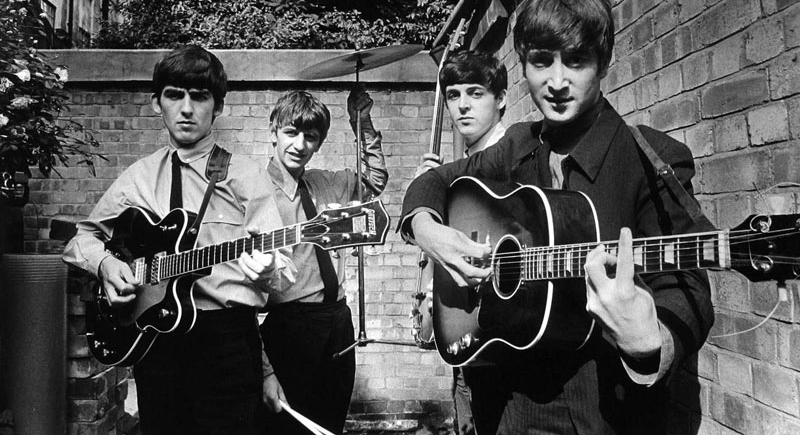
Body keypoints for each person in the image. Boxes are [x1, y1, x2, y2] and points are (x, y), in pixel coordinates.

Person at [400, 0, 714, 434]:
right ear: (524, 64)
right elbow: (434, 181)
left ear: (603, 61)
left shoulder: (652, 158)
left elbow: (689, 287)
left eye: (577, 61)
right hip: (505, 408)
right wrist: (428, 231)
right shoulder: (516, 147)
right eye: (542, 61)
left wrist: (650, 340)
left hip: (607, 414)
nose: (558, 81)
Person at [63, 45, 291, 435]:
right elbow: (82, 239)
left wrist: (268, 267)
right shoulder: (138, 177)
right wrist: (106, 264)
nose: (186, 109)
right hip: (157, 343)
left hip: (227, 343)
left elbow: (282, 272)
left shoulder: (246, 176)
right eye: (174, 95)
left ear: (218, 107)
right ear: (157, 103)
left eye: (199, 97)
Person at [239, 89, 388, 435]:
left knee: (330, 425)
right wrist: (265, 370)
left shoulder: (325, 183)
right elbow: (240, 299)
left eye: (310, 136)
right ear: (273, 131)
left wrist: (362, 121)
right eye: (291, 132)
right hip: (290, 329)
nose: (300, 145)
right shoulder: (252, 193)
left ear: (319, 142)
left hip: (337, 323)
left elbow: (374, 181)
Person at [414, 48, 507, 435]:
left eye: (476, 93)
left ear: (501, 99)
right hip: (469, 343)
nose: (462, 106)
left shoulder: (515, 162)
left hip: (506, 351)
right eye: (453, 95)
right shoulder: (454, 175)